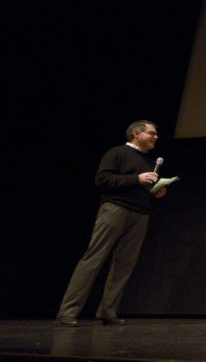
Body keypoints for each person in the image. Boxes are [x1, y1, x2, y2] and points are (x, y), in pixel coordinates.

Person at [56, 120, 167, 326]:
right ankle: (68, 312)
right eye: (151, 133)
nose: (156, 137)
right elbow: (102, 180)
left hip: (140, 213)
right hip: (115, 208)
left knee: (125, 264)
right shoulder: (117, 153)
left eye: (156, 134)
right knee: (94, 258)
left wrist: (156, 191)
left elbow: (140, 185)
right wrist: (137, 179)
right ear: (136, 133)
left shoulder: (149, 160)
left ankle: (107, 311)